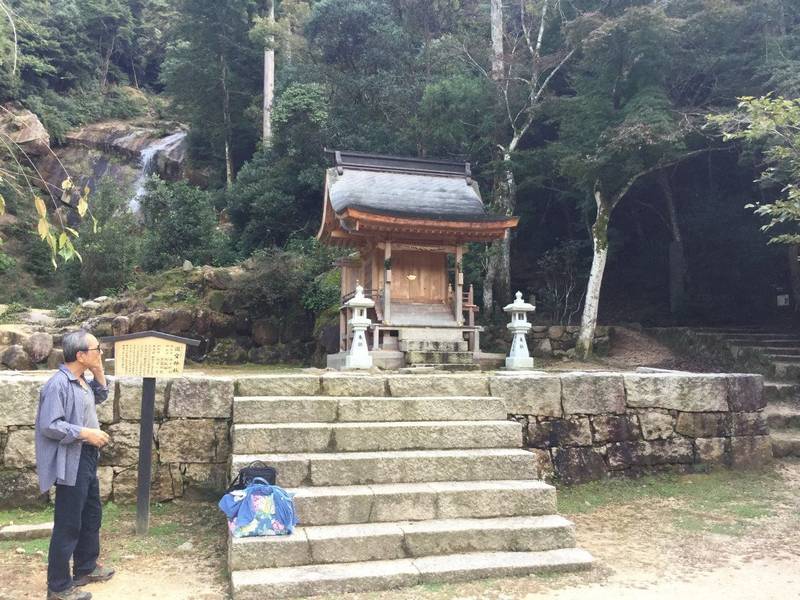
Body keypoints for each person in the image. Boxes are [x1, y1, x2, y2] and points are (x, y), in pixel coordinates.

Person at [35, 330, 115, 600]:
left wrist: (100, 370)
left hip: (88, 457)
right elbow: (50, 425)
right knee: (68, 523)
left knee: (91, 515)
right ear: (80, 355)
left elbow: (100, 396)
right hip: (71, 461)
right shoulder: (58, 384)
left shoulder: (81, 380)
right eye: (96, 349)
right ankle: (58, 587)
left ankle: (86, 567)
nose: (100, 352)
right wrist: (86, 433)